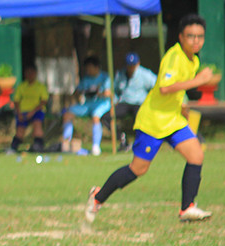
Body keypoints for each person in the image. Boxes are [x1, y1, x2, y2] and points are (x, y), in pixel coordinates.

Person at [84, 14, 213, 224]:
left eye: (200, 36)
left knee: (196, 155)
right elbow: (164, 88)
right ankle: (97, 197)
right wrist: (198, 81)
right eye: (191, 36)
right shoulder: (174, 57)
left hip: (172, 120)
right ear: (181, 37)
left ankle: (187, 208)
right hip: (154, 122)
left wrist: (182, 107)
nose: (196, 40)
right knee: (138, 169)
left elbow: (175, 91)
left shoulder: (193, 59)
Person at [61, 55, 111, 156]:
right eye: (87, 68)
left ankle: (95, 146)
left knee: (95, 117)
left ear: (96, 67)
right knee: (67, 114)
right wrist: (83, 92)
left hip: (101, 104)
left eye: (90, 68)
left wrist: (97, 93)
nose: (88, 70)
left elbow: (108, 93)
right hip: (87, 104)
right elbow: (77, 92)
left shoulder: (105, 77)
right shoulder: (86, 79)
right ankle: (66, 143)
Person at [7, 63, 49, 154]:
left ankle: (38, 146)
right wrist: (19, 113)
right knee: (20, 131)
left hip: (37, 111)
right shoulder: (21, 86)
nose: (29, 75)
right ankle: (13, 148)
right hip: (23, 112)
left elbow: (44, 101)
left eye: (31, 73)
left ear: (35, 73)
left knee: (37, 124)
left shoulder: (40, 86)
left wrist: (32, 112)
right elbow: (16, 101)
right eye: (27, 73)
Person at [112, 52, 157, 120]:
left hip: (139, 103)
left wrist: (151, 100)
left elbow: (157, 84)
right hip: (124, 102)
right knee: (108, 116)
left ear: (138, 63)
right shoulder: (120, 74)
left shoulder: (145, 74)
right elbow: (114, 90)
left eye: (133, 65)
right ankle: (120, 131)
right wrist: (115, 100)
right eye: (129, 65)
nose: (131, 67)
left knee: (141, 118)